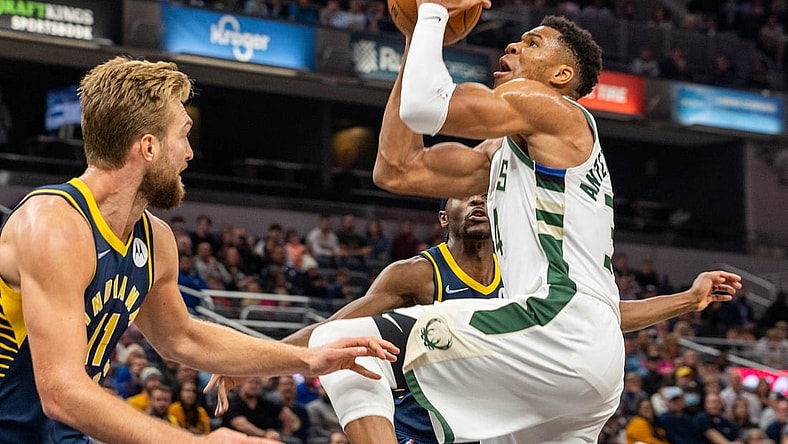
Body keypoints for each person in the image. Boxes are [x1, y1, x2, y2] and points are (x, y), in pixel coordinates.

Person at [308, 7, 741, 443]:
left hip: (555, 332)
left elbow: (426, 106)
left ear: (561, 75)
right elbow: (397, 169)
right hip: (585, 357)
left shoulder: (555, 110)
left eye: (533, 43)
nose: (513, 45)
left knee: (347, 344)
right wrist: (410, 41)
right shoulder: (513, 154)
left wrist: (433, 13)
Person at [0, 56, 398, 444]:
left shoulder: (154, 239)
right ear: (150, 147)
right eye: (184, 134)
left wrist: (307, 358)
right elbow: (62, 392)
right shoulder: (55, 224)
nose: (190, 153)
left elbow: (183, 338)